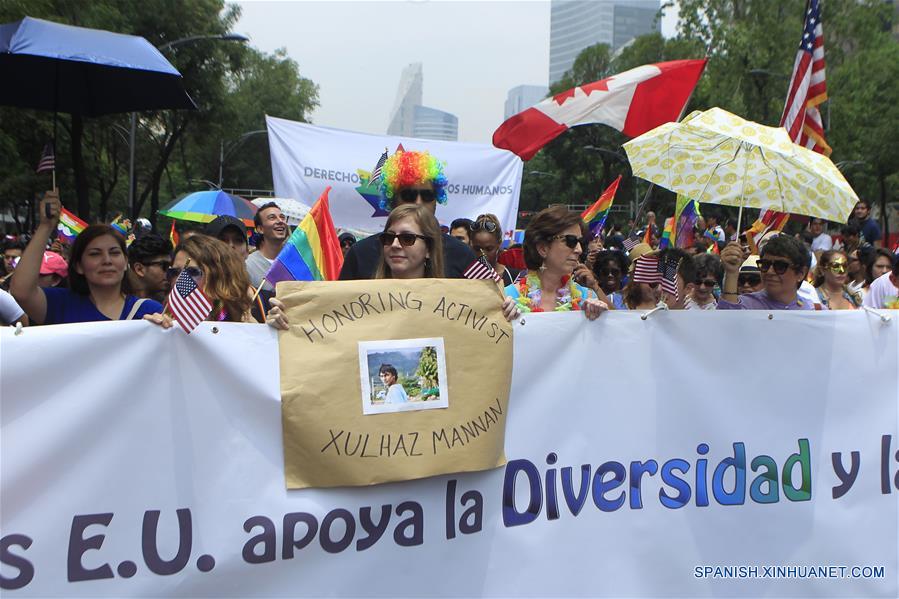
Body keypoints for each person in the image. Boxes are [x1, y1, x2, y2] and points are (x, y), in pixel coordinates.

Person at [11, 191, 162, 324]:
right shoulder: (61, 305)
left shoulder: (149, 310)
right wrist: (46, 226)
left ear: (125, 262)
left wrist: (163, 327)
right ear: (79, 265)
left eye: (114, 253)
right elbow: (21, 292)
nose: (107, 260)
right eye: (95, 254)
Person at [339, 150, 476, 279]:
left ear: (436, 200)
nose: (418, 203)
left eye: (427, 195)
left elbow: (482, 294)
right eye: (409, 195)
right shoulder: (360, 254)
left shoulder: (463, 254)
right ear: (392, 200)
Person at [503, 206, 608, 319]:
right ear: (543, 248)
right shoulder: (508, 298)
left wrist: (599, 319)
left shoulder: (586, 298)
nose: (579, 250)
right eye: (571, 241)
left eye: (580, 242)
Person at [144, 235, 258, 329]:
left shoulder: (246, 327)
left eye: (192, 272)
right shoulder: (168, 323)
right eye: (174, 272)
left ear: (220, 277)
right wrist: (152, 333)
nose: (180, 280)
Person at [718, 235, 819, 310]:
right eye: (765, 265)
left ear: (801, 273)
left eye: (780, 266)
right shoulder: (744, 306)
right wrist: (731, 273)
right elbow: (727, 323)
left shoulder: (813, 312)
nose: (770, 271)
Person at [374, 204, 445, 279]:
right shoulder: (367, 286)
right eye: (389, 238)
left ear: (429, 248)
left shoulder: (448, 287)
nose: (394, 245)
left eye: (407, 239)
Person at [246, 202, 288, 292]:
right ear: (260, 229)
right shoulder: (248, 266)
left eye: (282, 217)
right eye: (272, 217)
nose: (280, 221)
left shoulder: (296, 261)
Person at [468, 213, 520, 286]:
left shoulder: (513, 275)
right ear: (471, 244)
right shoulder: (466, 275)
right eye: (477, 249)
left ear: (499, 244)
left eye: (489, 249)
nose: (483, 254)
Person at [126, 233, 172, 303]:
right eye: (164, 265)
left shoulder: (168, 303)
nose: (169, 271)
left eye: (170, 266)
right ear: (139, 269)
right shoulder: (117, 302)